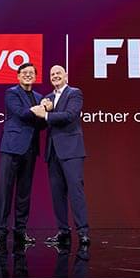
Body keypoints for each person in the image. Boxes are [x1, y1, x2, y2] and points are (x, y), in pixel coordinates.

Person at [30, 65, 90, 246]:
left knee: (75, 191)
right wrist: (40, 112)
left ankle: (83, 232)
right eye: (52, 74)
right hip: (52, 152)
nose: (55, 76)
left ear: (66, 76)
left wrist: (47, 115)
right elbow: (41, 124)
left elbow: (70, 116)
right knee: (57, 194)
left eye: (58, 73)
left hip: (71, 150)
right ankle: (63, 231)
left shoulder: (74, 93)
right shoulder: (47, 98)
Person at [0, 63, 45, 246]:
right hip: (12, 147)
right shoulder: (12, 93)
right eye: (24, 73)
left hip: (30, 149)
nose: (28, 75)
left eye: (31, 73)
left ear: (35, 76)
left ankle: (20, 232)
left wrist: (47, 114)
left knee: (24, 194)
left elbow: (42, 123)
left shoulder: (39, 97)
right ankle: (1, 232)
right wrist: (41, 110)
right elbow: (20, 113)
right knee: (5, 192)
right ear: (18, 76)